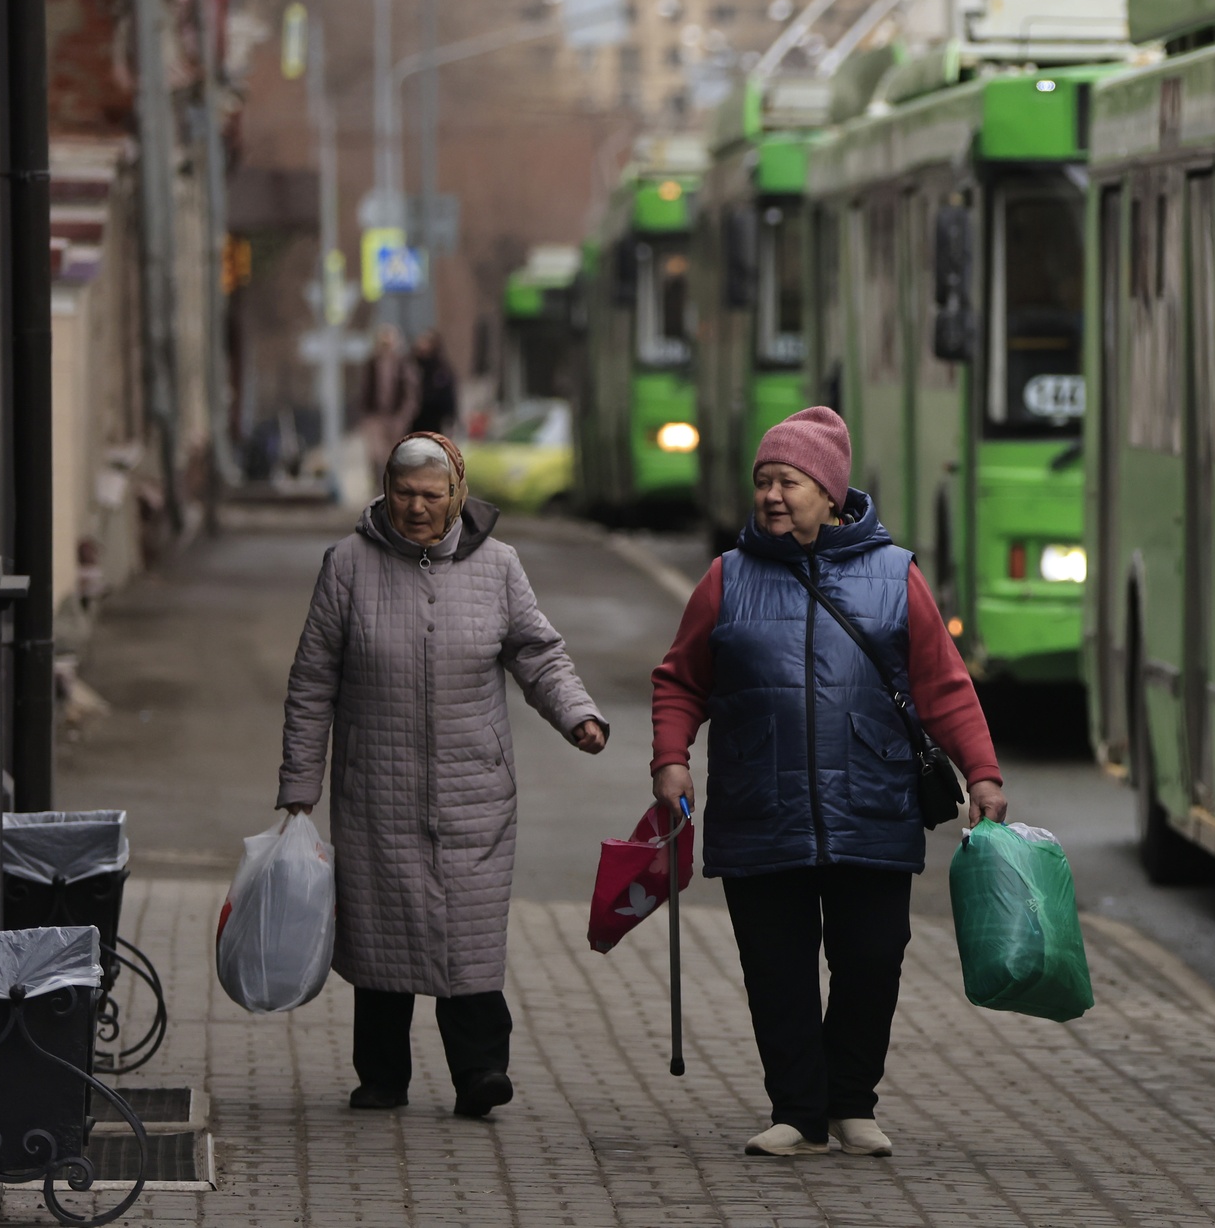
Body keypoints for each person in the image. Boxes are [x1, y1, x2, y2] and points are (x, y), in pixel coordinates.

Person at [651, 406, 1006, 1161]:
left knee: (872, 960)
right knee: (776, 970)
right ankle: (798, 1112)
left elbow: (943, 686)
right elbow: (681, 679)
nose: (772, 495)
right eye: (764, 481)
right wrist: (671, 757)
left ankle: (852, 1103)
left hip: (872, 806)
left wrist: (983, 772)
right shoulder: (727, 579)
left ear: (831, 495)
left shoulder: (894, 575)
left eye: (790, 481)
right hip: (759, 808)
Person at [277, 431, 610, 1119]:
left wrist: (578, 715)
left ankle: (481, 1071)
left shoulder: (499, 565)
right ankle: (382, 1076)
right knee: (379, 935)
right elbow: (313, 683)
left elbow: (538, 654)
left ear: (456, 494)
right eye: (404, 494)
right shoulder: (347, 565)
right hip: (377, 786)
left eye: (432, 496)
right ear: (386, 491)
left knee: (471, 933)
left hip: (474, 788)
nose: (417, 508)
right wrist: (299, 787)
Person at [359, 326, 416, 463]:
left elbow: (410, 393)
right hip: (376, 416)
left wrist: (403, 416)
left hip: (395, 415)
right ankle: (377, 481)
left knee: (395, 454)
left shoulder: (403, 365)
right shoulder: (372, 364)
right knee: (377, 454)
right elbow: (365, 389)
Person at [410, 329, 460, 438]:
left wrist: (450, 417)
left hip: (434, 418)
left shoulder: (440, 369)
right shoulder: (411, 366)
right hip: (413, 418)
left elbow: (448, 395)